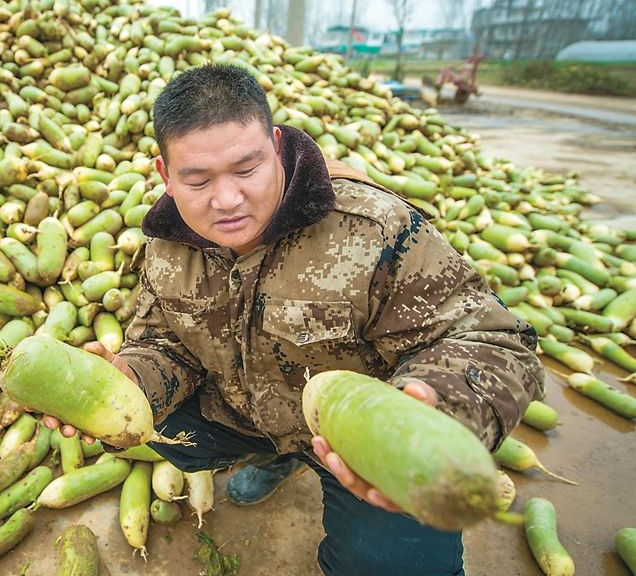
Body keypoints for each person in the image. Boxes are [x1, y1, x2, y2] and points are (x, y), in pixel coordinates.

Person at [45, 64, 544, 575]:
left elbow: (491, 339)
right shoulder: (168, 244)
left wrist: (429, 409)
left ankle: (309, 459)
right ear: (165, 176)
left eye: (247, 169)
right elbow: (163, 342)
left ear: (276, 147)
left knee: (392, 565)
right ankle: (276, 455)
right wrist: (130, 379)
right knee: (158, 425)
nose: (227, 200)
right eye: (197, 180)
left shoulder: (374, 231)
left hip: (353, 435)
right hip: (245, 411)